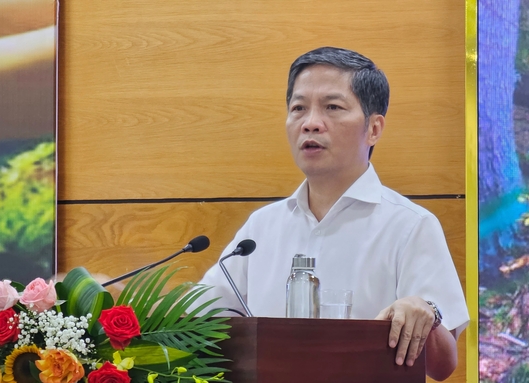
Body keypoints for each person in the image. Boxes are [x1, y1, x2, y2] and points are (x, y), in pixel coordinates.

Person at [195, 46, 469, 381]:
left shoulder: (410, 225)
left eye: (332, 107)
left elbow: (444, 366)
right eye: (298, 108)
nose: (310, 123)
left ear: (374, 129)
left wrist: (426, 314)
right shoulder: (262, 228)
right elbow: (196, 322)